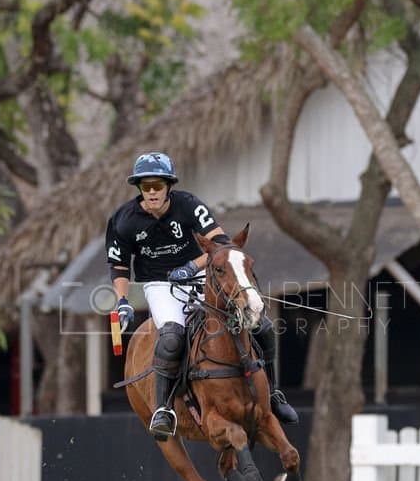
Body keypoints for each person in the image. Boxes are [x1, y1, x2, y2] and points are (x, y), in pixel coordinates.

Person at [106, 151, 298, 440]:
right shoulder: (123, 220)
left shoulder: (189, 205)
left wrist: (192, 265)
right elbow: (119, 267)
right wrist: (122, 302)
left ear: (169, 185)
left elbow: (221, 244)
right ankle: (163, 409)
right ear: (139, 189)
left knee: (262, 325)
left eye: (158, 185)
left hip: (201, 274)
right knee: (171, 336)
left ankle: (274, 394)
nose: (153, 192)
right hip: (159, 285)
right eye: (147, 187)